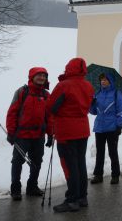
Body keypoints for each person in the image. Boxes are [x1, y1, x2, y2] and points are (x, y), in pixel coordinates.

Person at [47, 58, 95, 212]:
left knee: (70, 166)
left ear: (69, 69)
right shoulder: (88, 85)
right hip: (83, 129)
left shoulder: (64, 86)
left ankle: (72, 199)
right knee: (80, 163)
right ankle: (82, 197)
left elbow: (51, 107)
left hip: (67, 130)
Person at [6, 67, 53, 201]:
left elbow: (50, 117)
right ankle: (15, 189)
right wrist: (11, 132)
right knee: (17, 162)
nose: (42, 78)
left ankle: (32, 187)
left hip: (38, 136)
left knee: (37, 162)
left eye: (44, 76)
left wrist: (50, 134)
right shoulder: (22, 92)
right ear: (32, 76)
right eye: (39, 75)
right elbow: (12, 113)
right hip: (22, 135)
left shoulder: (46, 95)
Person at [89, 73, 122, 183]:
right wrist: (92, 104)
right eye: (101, 80)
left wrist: (119, 126)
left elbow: (121, 111)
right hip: (99, 127)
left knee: (112, 152)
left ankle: (115, 175)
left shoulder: (116, 94)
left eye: (105, 80)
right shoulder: (98, 94)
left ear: (110, 81)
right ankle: (98, 175)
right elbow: (93, 112)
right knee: (99, 152)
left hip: (112, 128)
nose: (103, 82)